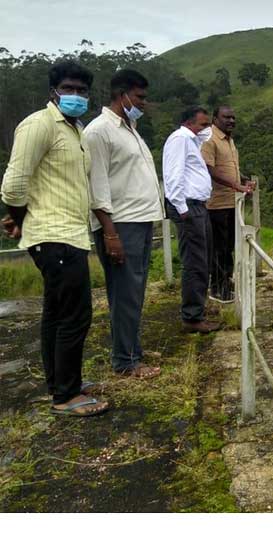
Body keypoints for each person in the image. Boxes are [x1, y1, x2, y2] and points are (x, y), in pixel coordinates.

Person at [0, 61, 109, 417]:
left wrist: (22, 221)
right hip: (55, 235)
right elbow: (14, 185)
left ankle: (63, 383)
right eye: (69, 88)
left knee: (56, 314)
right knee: (75, 316)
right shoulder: (39, 124)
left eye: (82, 90)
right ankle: (66, 396)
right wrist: (20, 219)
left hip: (66, 233)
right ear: (53, 92)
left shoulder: (74, 131)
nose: (76, 95)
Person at [83, 69, 163, 379]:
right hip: (121, 224)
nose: (143, 103)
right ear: (122, 95)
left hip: (140, 221)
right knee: (125, 292)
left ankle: (131, 350)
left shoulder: (129, 128)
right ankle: (126, 360)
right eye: (140, 97)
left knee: (134, 291)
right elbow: (98, 187)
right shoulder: (99, 131)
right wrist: (111, 234)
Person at [162, 106, 221, 333]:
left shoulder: (192, 142)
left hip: (197, 207)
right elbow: (173, 174)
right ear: (189, 123)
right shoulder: (180, 139)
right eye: (203, 125)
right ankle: (192, 317)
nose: (206, 129)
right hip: (188, 207)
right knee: (195, 263)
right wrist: (181, 208)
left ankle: (197, 311)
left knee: (202, 260)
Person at [201, 105, 254, 303]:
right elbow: (210, 170)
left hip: (232, 202)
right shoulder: (210, 140)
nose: (231, 121)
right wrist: (236, 186)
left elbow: (230, 168)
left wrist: (244, 181)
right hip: (217, 204)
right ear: (215, 118)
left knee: (229, 246)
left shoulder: (229, 141)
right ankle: (217, 288)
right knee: (219, 248)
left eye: (233, 118)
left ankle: (226, 282)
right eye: (226, 118)